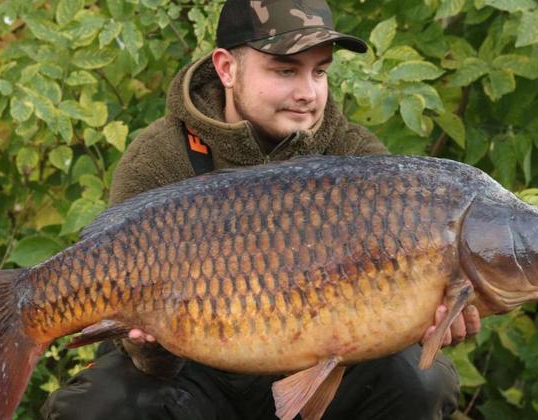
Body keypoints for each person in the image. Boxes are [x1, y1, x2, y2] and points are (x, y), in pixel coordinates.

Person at [42, 0, 480, 418]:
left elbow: (396, 296)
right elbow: (131, 339)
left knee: (422, 380)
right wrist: (149, 343)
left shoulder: (357, 157)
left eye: (320, 72)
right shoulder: (160, 157)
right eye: (285, 70)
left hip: (316, 362)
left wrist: (433, 320)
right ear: (227, 68)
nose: (307, 93)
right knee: (97, 406)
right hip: (195, 369)